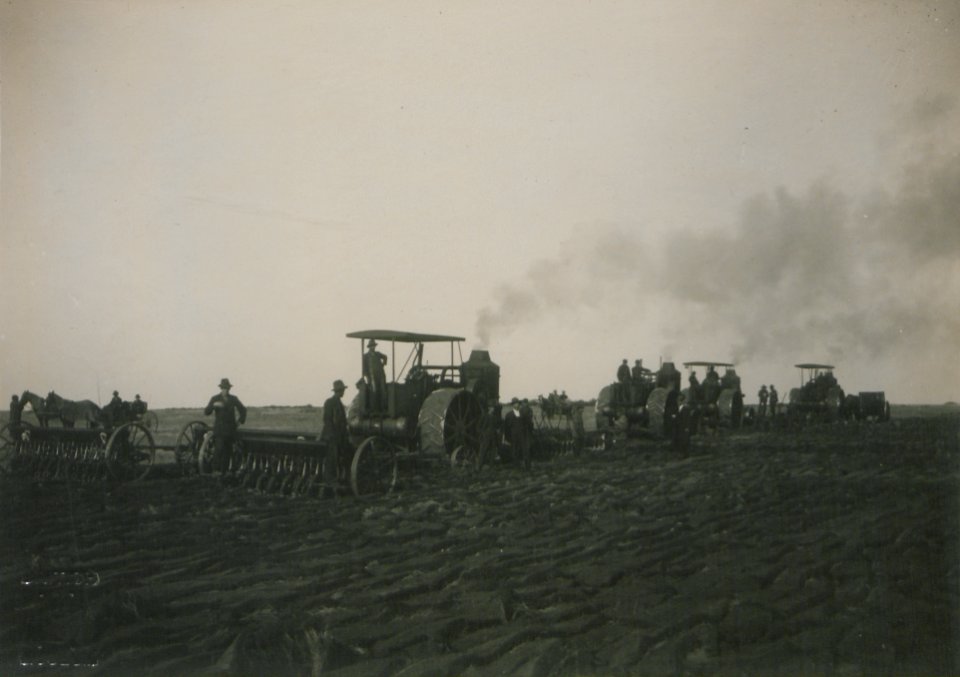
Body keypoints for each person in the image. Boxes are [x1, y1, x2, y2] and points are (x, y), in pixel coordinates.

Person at [204, 378, 247, 475]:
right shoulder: (215, 399)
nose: (225, 390)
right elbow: (206, 412)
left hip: (231, 430)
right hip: (219, 430)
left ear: (229, 389)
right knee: (219, 449)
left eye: (227, 388)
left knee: (228, 451)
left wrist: (240, 421)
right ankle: (215, 470)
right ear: (221, 388)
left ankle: (224, 471)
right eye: (224, 388)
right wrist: (213, 406)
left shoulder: (233, 399)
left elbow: (243, 410)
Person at [320, 380, 350, 496]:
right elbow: (328, 420)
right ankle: (331, 482)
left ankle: (338, 478)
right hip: (333, 436)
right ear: (340, 391)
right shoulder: (333, 403)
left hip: (334, 435)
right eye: (343, 390)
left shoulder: (334, 402)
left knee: (337, 458)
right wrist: (334, 434)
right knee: (332, 459)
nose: (343, 393)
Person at [363, 339, 388, 413]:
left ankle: (383, 408)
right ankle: (374, 409)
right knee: (374, 392)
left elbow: (385, 357)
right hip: (372, 377)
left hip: (380, 375)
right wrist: (367, 376)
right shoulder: (366, 356)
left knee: (383, 391)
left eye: (374, 346)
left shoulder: (377, 354)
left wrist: (384, 364)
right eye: (371, 346)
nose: (373, 347)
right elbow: (364, 368)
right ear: (369, 347)